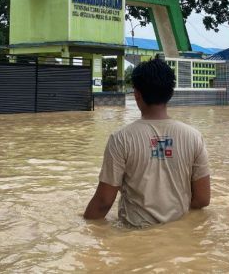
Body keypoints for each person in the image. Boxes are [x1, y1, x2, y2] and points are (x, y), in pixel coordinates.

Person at [83, 57, 210, 227]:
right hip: (179, 238)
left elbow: (103, 202)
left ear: (136, 94)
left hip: (134, 236)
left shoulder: (121, 138)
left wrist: (82, 227)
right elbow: (202, 199)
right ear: (171, 93)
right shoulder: (194, 137)